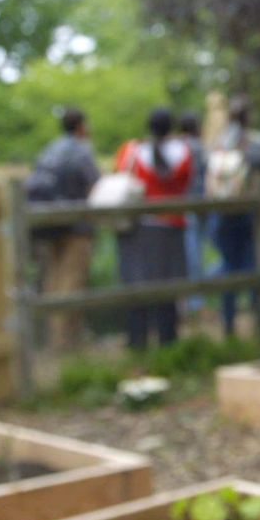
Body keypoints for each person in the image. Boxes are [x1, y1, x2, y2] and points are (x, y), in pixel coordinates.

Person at [114, 108, 192, 349]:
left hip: (139, 228)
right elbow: (187, 181)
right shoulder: (183, 152)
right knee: (167, 288)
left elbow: (118, 175)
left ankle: (137, 342)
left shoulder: (133, 150)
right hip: (171, 227)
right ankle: (168, 341)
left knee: (137, 285)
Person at [26, 107, 100, 351]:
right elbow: (94, 184)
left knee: (52, 282)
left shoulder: (49, 149)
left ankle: (52, 339)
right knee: (71, 283)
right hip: (76, 227)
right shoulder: (82, 151)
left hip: (48, 226)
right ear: (81, 126)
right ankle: (64, 344)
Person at [206, 95, 260, 336]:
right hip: (250, 216)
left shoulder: (218, 143)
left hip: (223, 215)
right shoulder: (258, 142)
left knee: (228, 267)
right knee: (254, 265)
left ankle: (229, 325)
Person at [178, 112, 207, 315]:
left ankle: (188, 302)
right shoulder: (198, 147)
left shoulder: (178, 146)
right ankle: (196, 302)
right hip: (197, 205)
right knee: (195, 254)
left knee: (187, 254)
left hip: (180, 206)